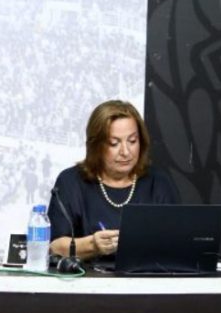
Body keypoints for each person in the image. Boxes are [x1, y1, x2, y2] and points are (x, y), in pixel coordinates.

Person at [47, 99, 179, 261]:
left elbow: (177, 241)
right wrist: (92, 245)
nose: (125, 152)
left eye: (132, 141)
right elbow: (54, 246)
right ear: (96, 146)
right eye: (114, 143)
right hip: (87, 276)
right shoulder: (71, 181)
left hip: (147, 275)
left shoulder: (158, 182)